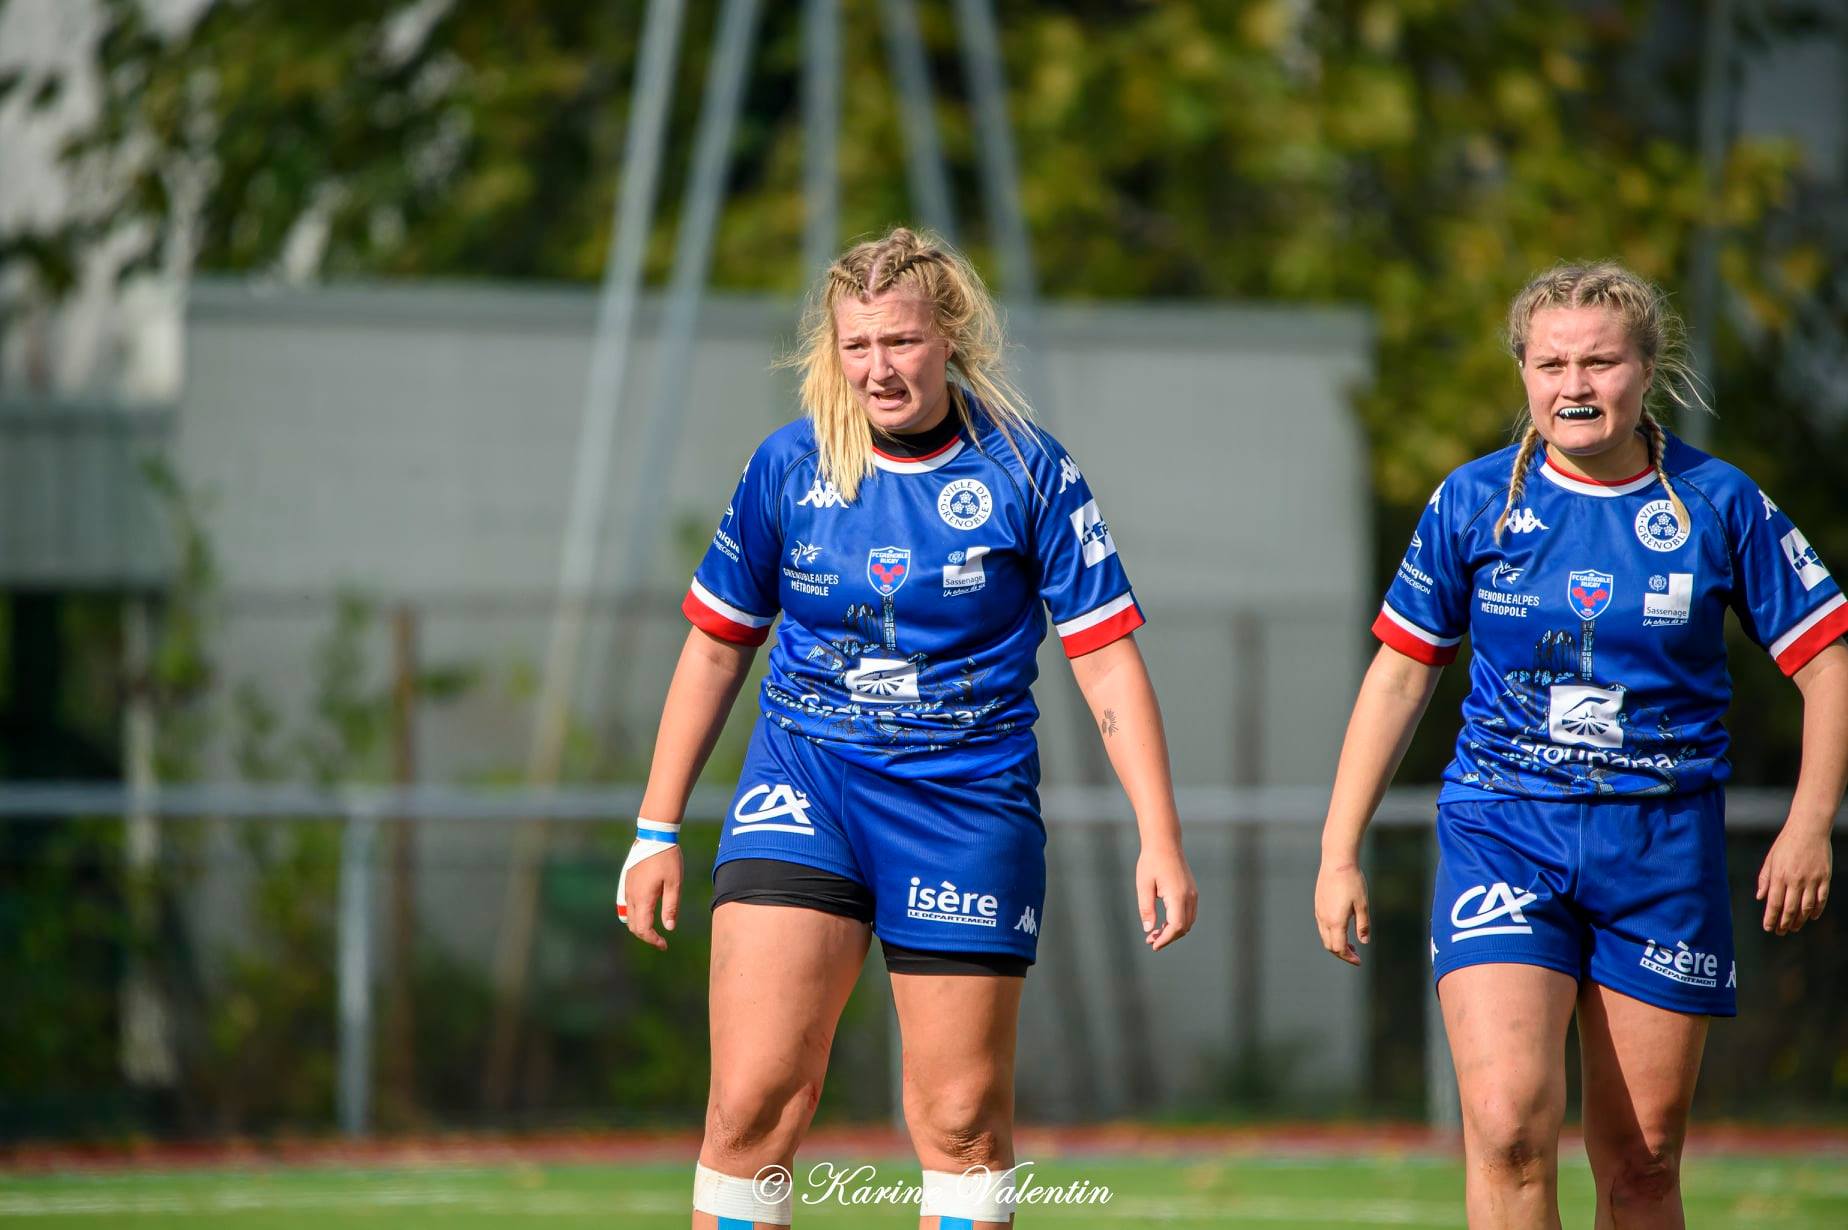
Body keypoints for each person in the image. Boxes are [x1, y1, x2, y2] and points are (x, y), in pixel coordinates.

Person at [617, 226, 1198, 1230]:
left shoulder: (1027, 469)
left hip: (964, 805)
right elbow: (715, 649)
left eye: (900, 341)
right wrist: (655, 828)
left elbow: (1105, 659)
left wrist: (1159, 835)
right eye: (857, 345)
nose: (878, 369)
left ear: (950, 339)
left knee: (962, 1122)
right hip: (806, 784)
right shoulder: (789, 464)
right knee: (752, 1101)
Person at [1314, 261, 1848, 1229]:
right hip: (1505, 830)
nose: (1574, 385)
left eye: (1600, 362)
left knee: (1643, 1163)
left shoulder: (1718, 503)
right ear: (1523, 371)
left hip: (1661, 847)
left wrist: (1810, 823)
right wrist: (1338, 847)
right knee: (1508, 1126)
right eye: (1551, 363)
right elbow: (1399, 675)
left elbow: (1826, 663)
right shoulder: (1474, 502)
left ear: (1647, 369)